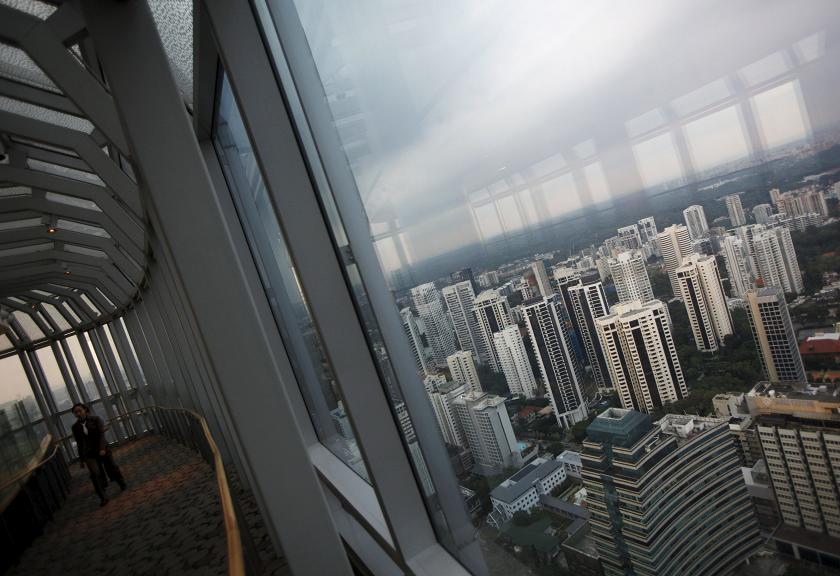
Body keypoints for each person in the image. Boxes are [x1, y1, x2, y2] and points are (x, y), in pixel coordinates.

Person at [71, 403, 127, 506]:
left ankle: (121, 482)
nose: (78, 413)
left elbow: (101, 434)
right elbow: (79, 444)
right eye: (76, 412)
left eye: (80, 411)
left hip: (102, 448)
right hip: (89, 453)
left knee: (111, 468)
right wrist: (82, 459)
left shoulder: (96, 419)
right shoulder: (75, 427)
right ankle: (103, 497)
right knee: (95, 474)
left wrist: (102, 449)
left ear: (85, 410)